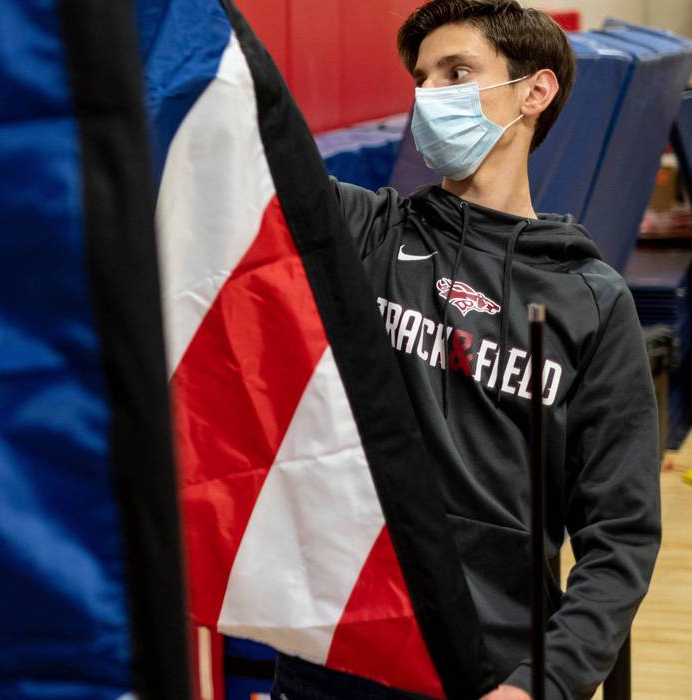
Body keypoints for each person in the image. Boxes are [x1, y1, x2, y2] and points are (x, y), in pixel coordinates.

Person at [271, 2, 661, 699]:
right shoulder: (365, 234)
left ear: (533, 92)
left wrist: (540, 684)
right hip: (336, 658)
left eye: (457, 72)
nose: (430, 97)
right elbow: (242, 158)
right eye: (422, 79)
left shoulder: (590, 302)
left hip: (490, 671)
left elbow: (619, 535)